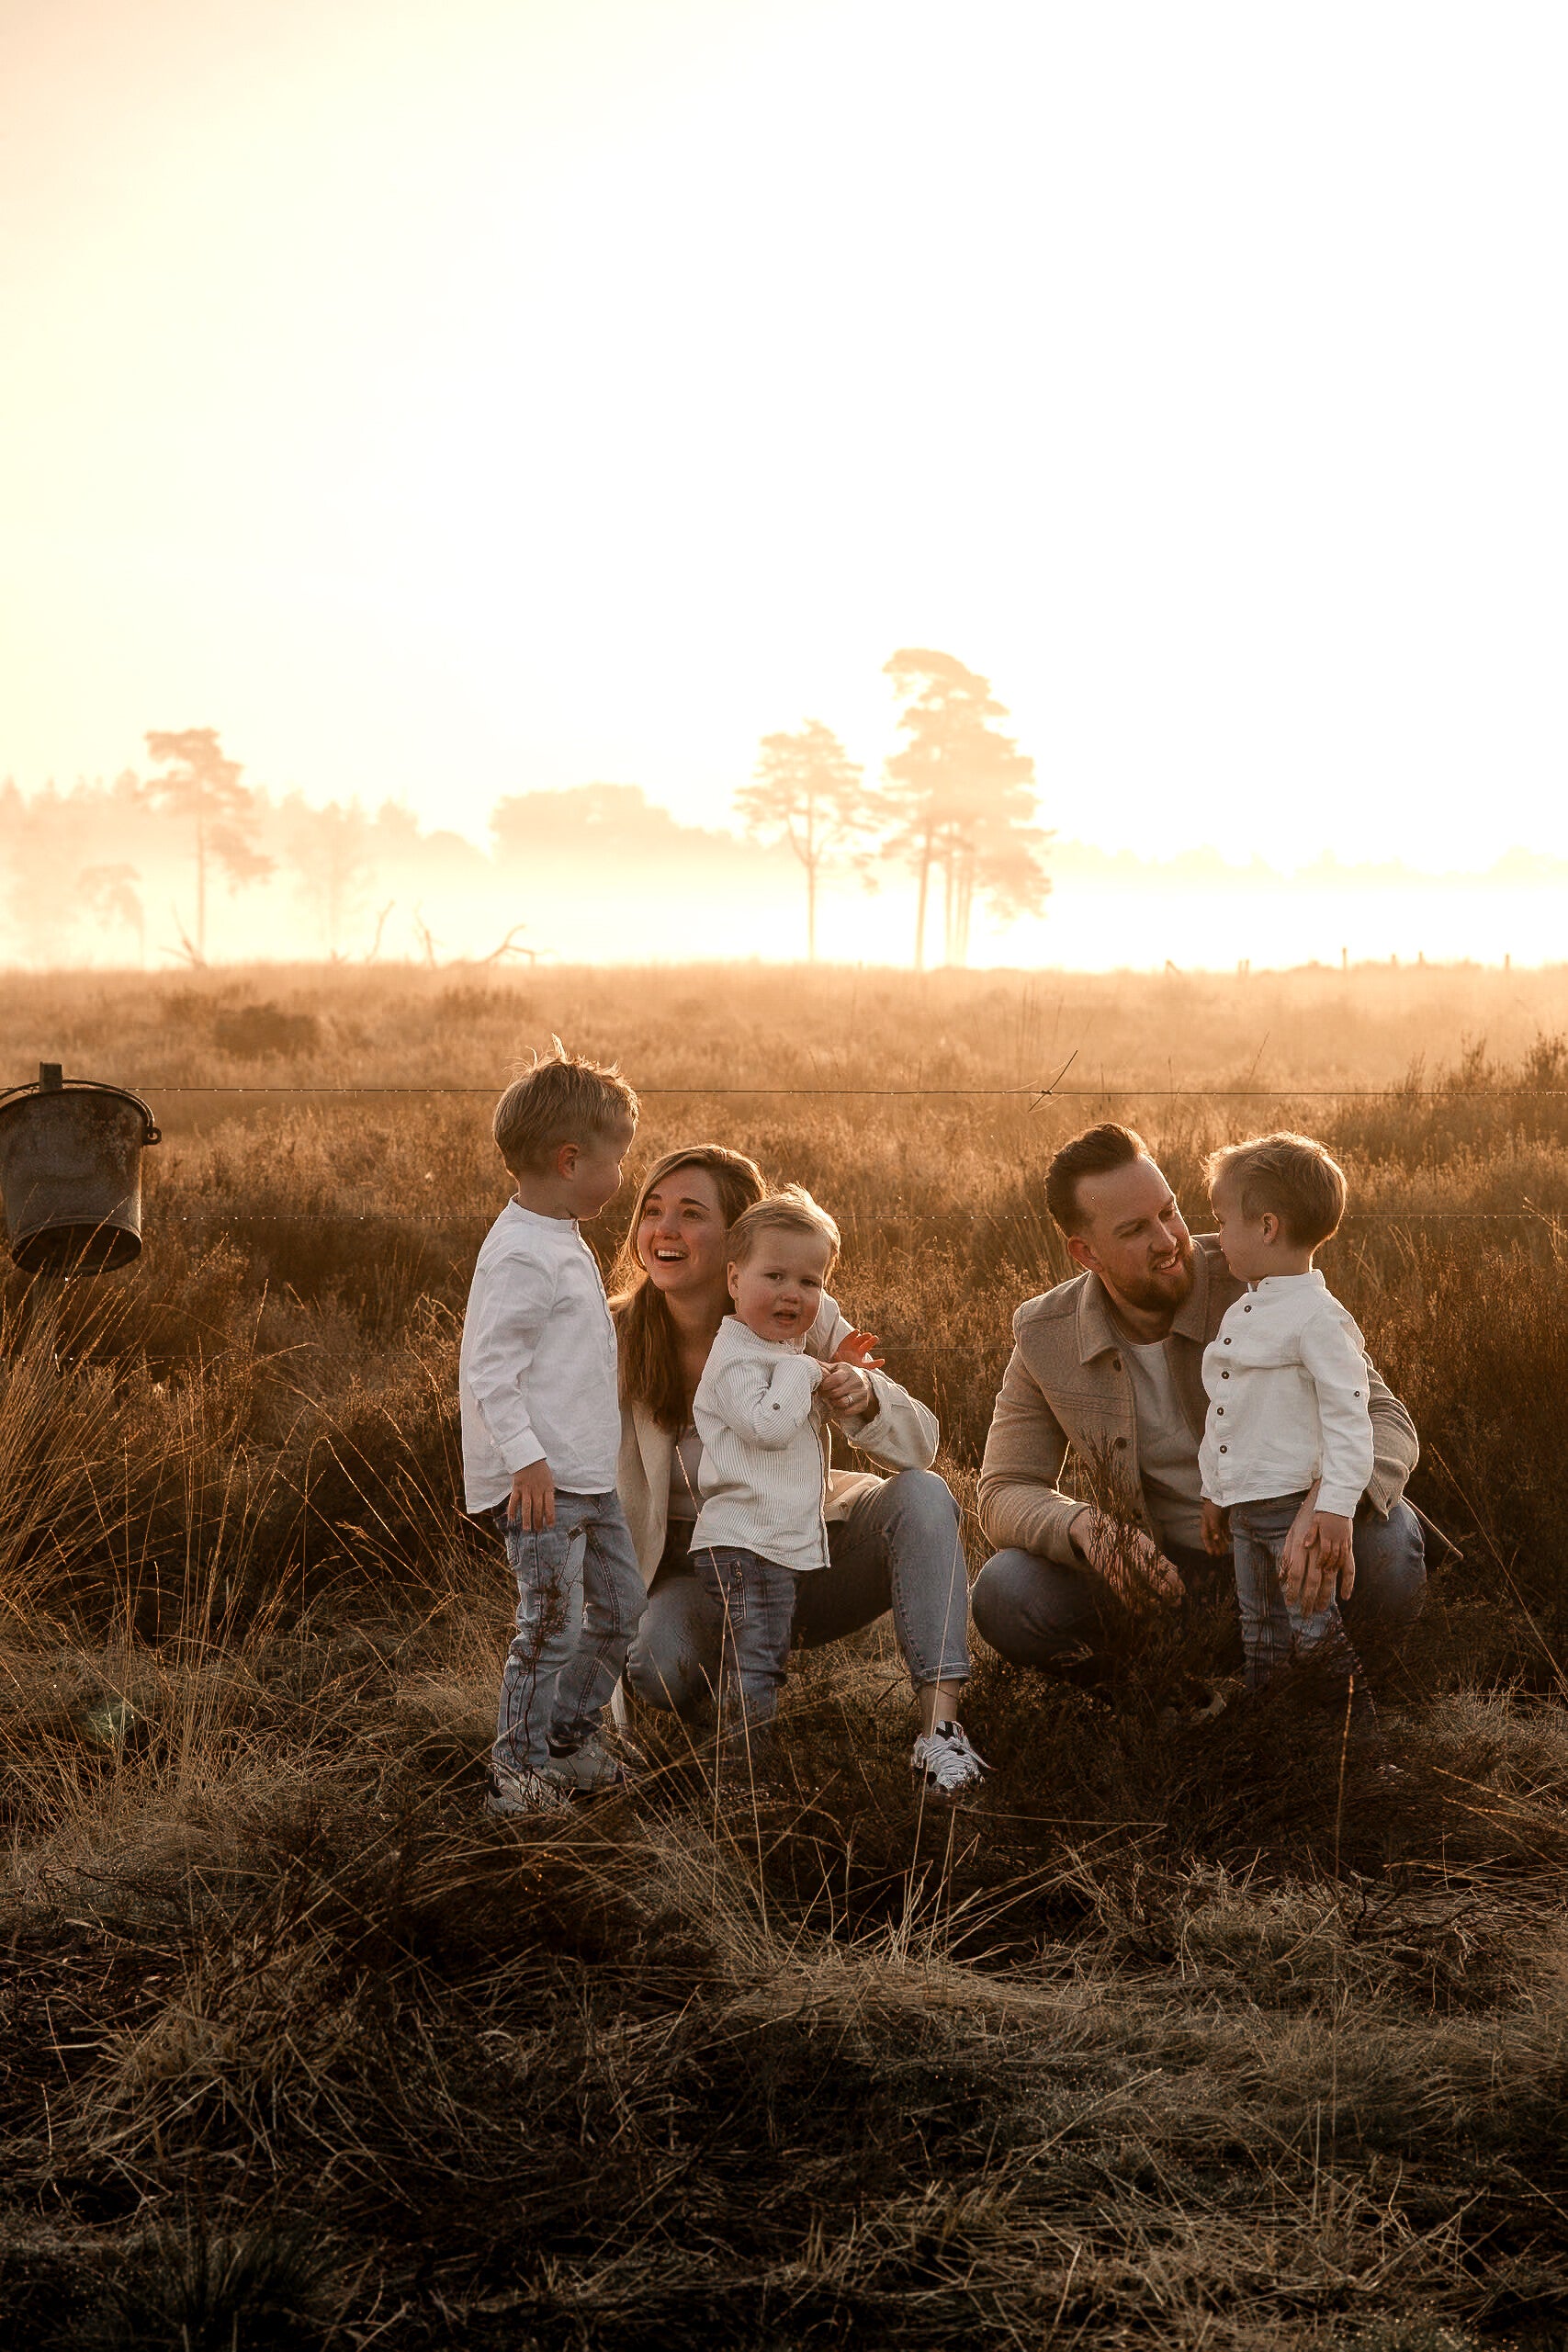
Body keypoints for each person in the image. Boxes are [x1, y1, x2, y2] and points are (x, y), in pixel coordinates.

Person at [970, 1122, 1425, 1696]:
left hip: (1291, 1542)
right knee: (1005, 1591)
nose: (1168, 1240)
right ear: (1086, 1253)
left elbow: (1386, 1420)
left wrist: (1326, 1504)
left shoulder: (1257, 1274)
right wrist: (1084, 1526)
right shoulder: (1045, 1333)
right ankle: (1171, 1703)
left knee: (1390, 1543)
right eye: (1135, 1229)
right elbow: (1004, 1487)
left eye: (1170, 1211)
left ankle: (1331, 1703)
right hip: (1165, 1580)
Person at [615, 1145, 985, 1794]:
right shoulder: (614, 1335)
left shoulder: (798, 1308)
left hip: (803, 1548)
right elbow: (578, 1505)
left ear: (737, 1241)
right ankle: (734, 1724)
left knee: (922, 1495)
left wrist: (867, 1398)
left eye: (689, 1213)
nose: (663, 1231)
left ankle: (939, 1737)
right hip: (693, 1568)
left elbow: (919, 1445)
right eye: (652, 1210)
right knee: (657, 1666)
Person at [459, 1042, 646, 1816]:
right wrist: (526, 1464)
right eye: (616, 1163)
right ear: (570, 1160)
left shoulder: (558, 1233)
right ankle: (517, 1770)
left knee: (622, 1610)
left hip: (589, 1477)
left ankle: (566, 1738)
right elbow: (488, 1373)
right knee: (549, 1627)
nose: (623, 1178)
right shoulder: (521, 1258)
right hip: (543, 1485)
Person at [1198, 1133, 1374, 1713]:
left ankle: (1362, 1760)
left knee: (1316, 1636)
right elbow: (1227, 1408)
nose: (1217, 1236)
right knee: (1261, 1639)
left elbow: (1351, 1418)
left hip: (1291, 1512)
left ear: (1267, 1227)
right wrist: (1213, 1491)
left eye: (1223, 1223)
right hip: (1246, 1511)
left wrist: (1335, 1505)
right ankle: (1273, 1755)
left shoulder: (1318, 1319)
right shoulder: (1248, 1307)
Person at [687, 1186, 842, 1747]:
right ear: (733, 1281)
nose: (791, 1294)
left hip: (768, 1542)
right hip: (745, 1545)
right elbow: (770, 1428)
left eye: (810, 1282)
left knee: (760, 1657)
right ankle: (740, 1781)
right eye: (773, 1276)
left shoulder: (776, 1351)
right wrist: (807, 1373)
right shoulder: (735, 1360)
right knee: (755, 1664)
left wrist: (830, 1367)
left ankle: (740, 1764)